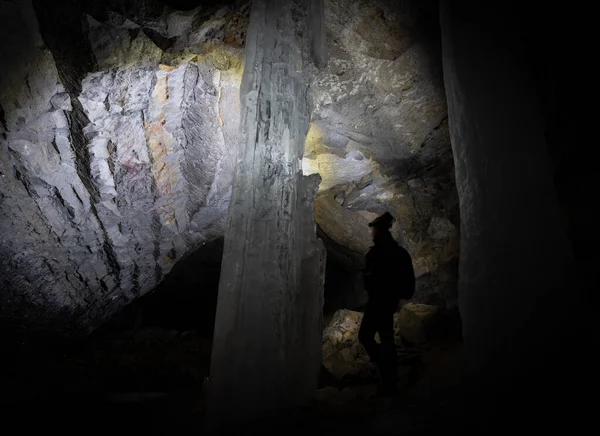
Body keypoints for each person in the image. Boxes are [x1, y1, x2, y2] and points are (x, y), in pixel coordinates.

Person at [358, 211, 415, 396]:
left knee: (366, 336)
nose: (371, 233)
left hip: (378, 303)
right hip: (389, 302)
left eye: (373, 230)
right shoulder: (398, 253)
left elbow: (370, 280)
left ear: (379, 231)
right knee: (387, 338)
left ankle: (386, 371)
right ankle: (391, 379)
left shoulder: (377, 254)